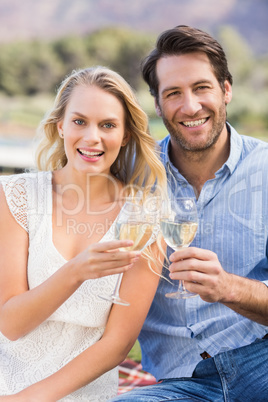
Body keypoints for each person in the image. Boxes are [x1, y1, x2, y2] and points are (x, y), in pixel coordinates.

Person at [110, 25, 268, 401]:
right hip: (181, 384)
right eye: (174, 94)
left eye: (201, 88)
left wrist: (227, 288)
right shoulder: (129, 174)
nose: (190, 106)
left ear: (226, 89)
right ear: (157, 103)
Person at [0, 66, 167, 401]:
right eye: (80, 121)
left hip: (82, 393)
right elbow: (11, 323)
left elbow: (117, 345)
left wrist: (30, 400)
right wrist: (76, 272)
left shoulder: (144, 219)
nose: (92, 137)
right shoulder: (15, 196)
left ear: (126, 135)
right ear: (60, 125)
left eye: (107, 125)